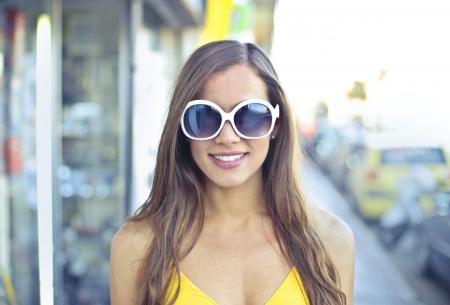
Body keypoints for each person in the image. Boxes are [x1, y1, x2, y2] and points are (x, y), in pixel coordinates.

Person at [110, 40, 355, 305]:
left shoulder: (331, 242)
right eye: (204, 116)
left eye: (249, 115)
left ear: (276, 125)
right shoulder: (137, 247)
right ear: (182, 129)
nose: (227, 137)